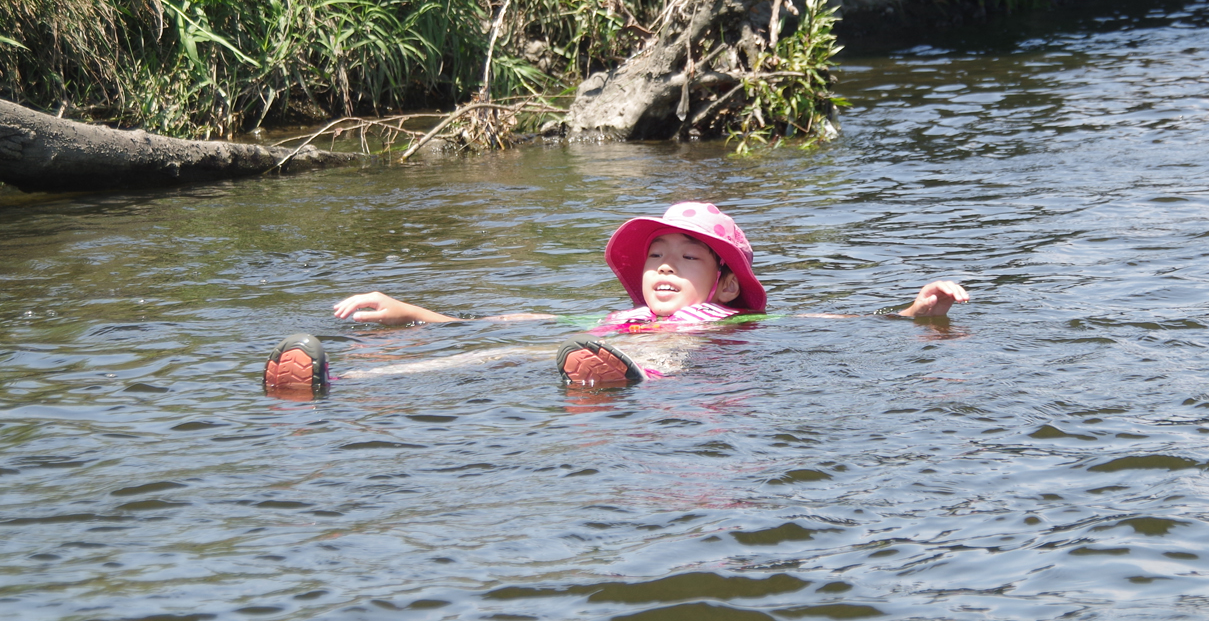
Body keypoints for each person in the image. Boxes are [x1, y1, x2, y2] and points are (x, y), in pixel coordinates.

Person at [263, 202, 969, 393]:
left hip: (664, 368)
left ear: (721, 282)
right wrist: (415, 313)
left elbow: (836, 321)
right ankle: (341, 379)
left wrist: (916, 312)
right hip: (595, 352)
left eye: (685, 259)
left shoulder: (738, 318)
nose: (663, 269)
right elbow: (516, 317)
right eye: (655, 258)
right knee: (505, 350)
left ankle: (619, 379)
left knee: (660, 355)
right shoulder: (614, 317)